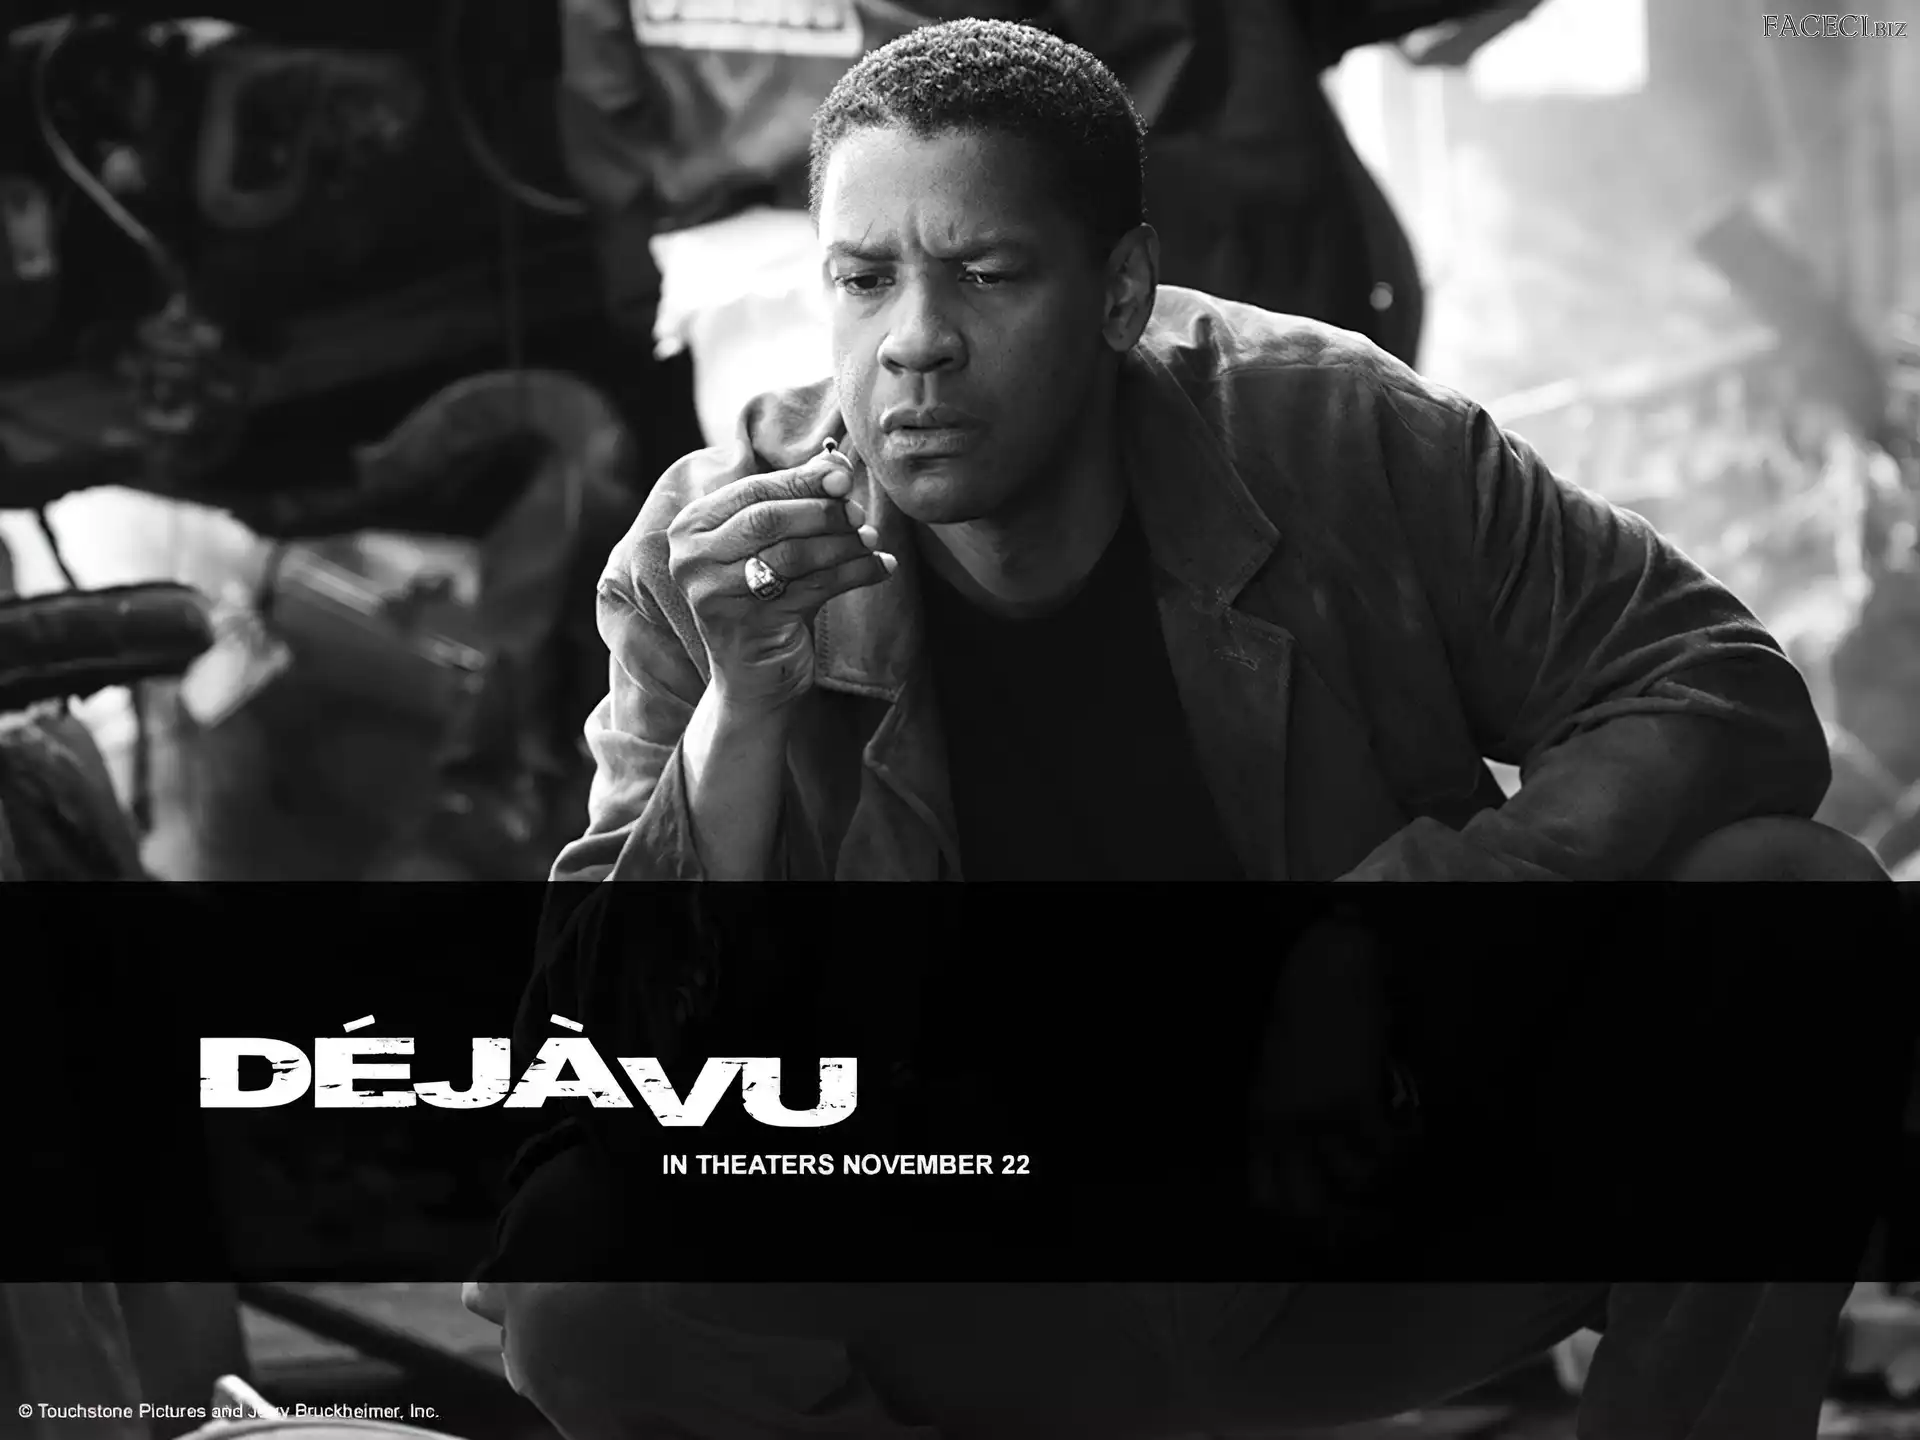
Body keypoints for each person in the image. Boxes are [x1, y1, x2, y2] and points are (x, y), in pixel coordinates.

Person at [468, 19, 1901, 1440]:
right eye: (863, 279)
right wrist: (743, 714)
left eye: (986, 274)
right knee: (584, 1250)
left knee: (1786, 907)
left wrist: (1383, 953)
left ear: (1119, 292)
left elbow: (1712, 685)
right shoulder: (719, 554)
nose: (915, 343)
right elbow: (590, 1055)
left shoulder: (1330, 435)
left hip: (1354, 1215)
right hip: (984, 1272)